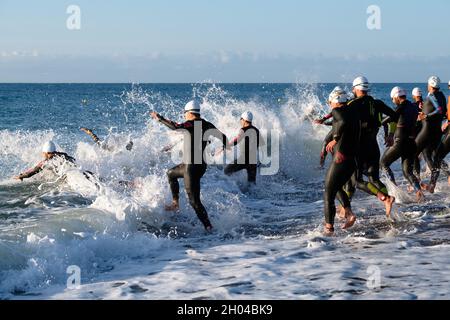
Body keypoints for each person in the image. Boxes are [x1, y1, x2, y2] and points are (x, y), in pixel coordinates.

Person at [150, 100, 229, 231]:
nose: (184, 115)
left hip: (191, 168)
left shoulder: (190, 124)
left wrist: (160, 118)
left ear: (189, 113)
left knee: (194, 201)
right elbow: (224, 137)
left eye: (185, 113)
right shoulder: (208, 124)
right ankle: (175, 203)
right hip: (201, 166)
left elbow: (175, 127)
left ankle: (209, 227)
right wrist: (222, 148)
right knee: (171, 173)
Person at [347, 76, 397, 217]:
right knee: (374, 179)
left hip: (358, 149)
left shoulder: (352, 105)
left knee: (355, 180)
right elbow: (394, 116)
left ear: (356, 89)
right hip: (373, 147)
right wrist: (391, 134)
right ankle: (388, 206)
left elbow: (341, 123)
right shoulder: (378, 103)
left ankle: (383, 198)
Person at [323, 88, 360, 235]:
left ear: (336, 101)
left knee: (328, 192)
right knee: (336, 186)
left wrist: (335, 139)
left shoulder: (339, 112)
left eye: (331, 102)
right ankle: (349, 213)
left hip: (341, 158)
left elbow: (341, 121)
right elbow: (342, 123)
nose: (330, 105)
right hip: (352, 159)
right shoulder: (353, 112)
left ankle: (329, 228)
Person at [380, 87, 424, 202]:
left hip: (400, 141)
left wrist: (379, 123)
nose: (393, 101)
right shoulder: (413, 107)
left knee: (384, 163)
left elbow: (391, 118)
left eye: (392, 99)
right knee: (407, 172)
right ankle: (419, 191)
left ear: (396, 97)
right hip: (411, 142)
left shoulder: (401, 107)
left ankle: (394, 190)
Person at [415, 76, 447, 192]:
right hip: (436, 131)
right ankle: (434, 183)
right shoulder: (441, 95)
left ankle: (416, 184)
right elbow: (441, 111)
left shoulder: (432, 95)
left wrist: (425, 116)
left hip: (427, 130)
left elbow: (438, 109)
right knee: (433, 155)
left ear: (430, 85)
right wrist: (423, 107)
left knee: (415, 152)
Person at [224, 111, 262, 183]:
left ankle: (229, 189)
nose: (240, 121)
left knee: (226, 172)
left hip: (243, 160)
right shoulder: (257, 130)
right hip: (253, 162)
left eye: (241, 119)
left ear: (244, 120)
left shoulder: (243, 130)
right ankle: (253, 194)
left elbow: (237, 140)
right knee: (252, 184)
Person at [427, 80, 450, 191]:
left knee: (437, 157)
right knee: (438, 156)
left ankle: (432, 185)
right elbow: (446, 112)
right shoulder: (445, 97)